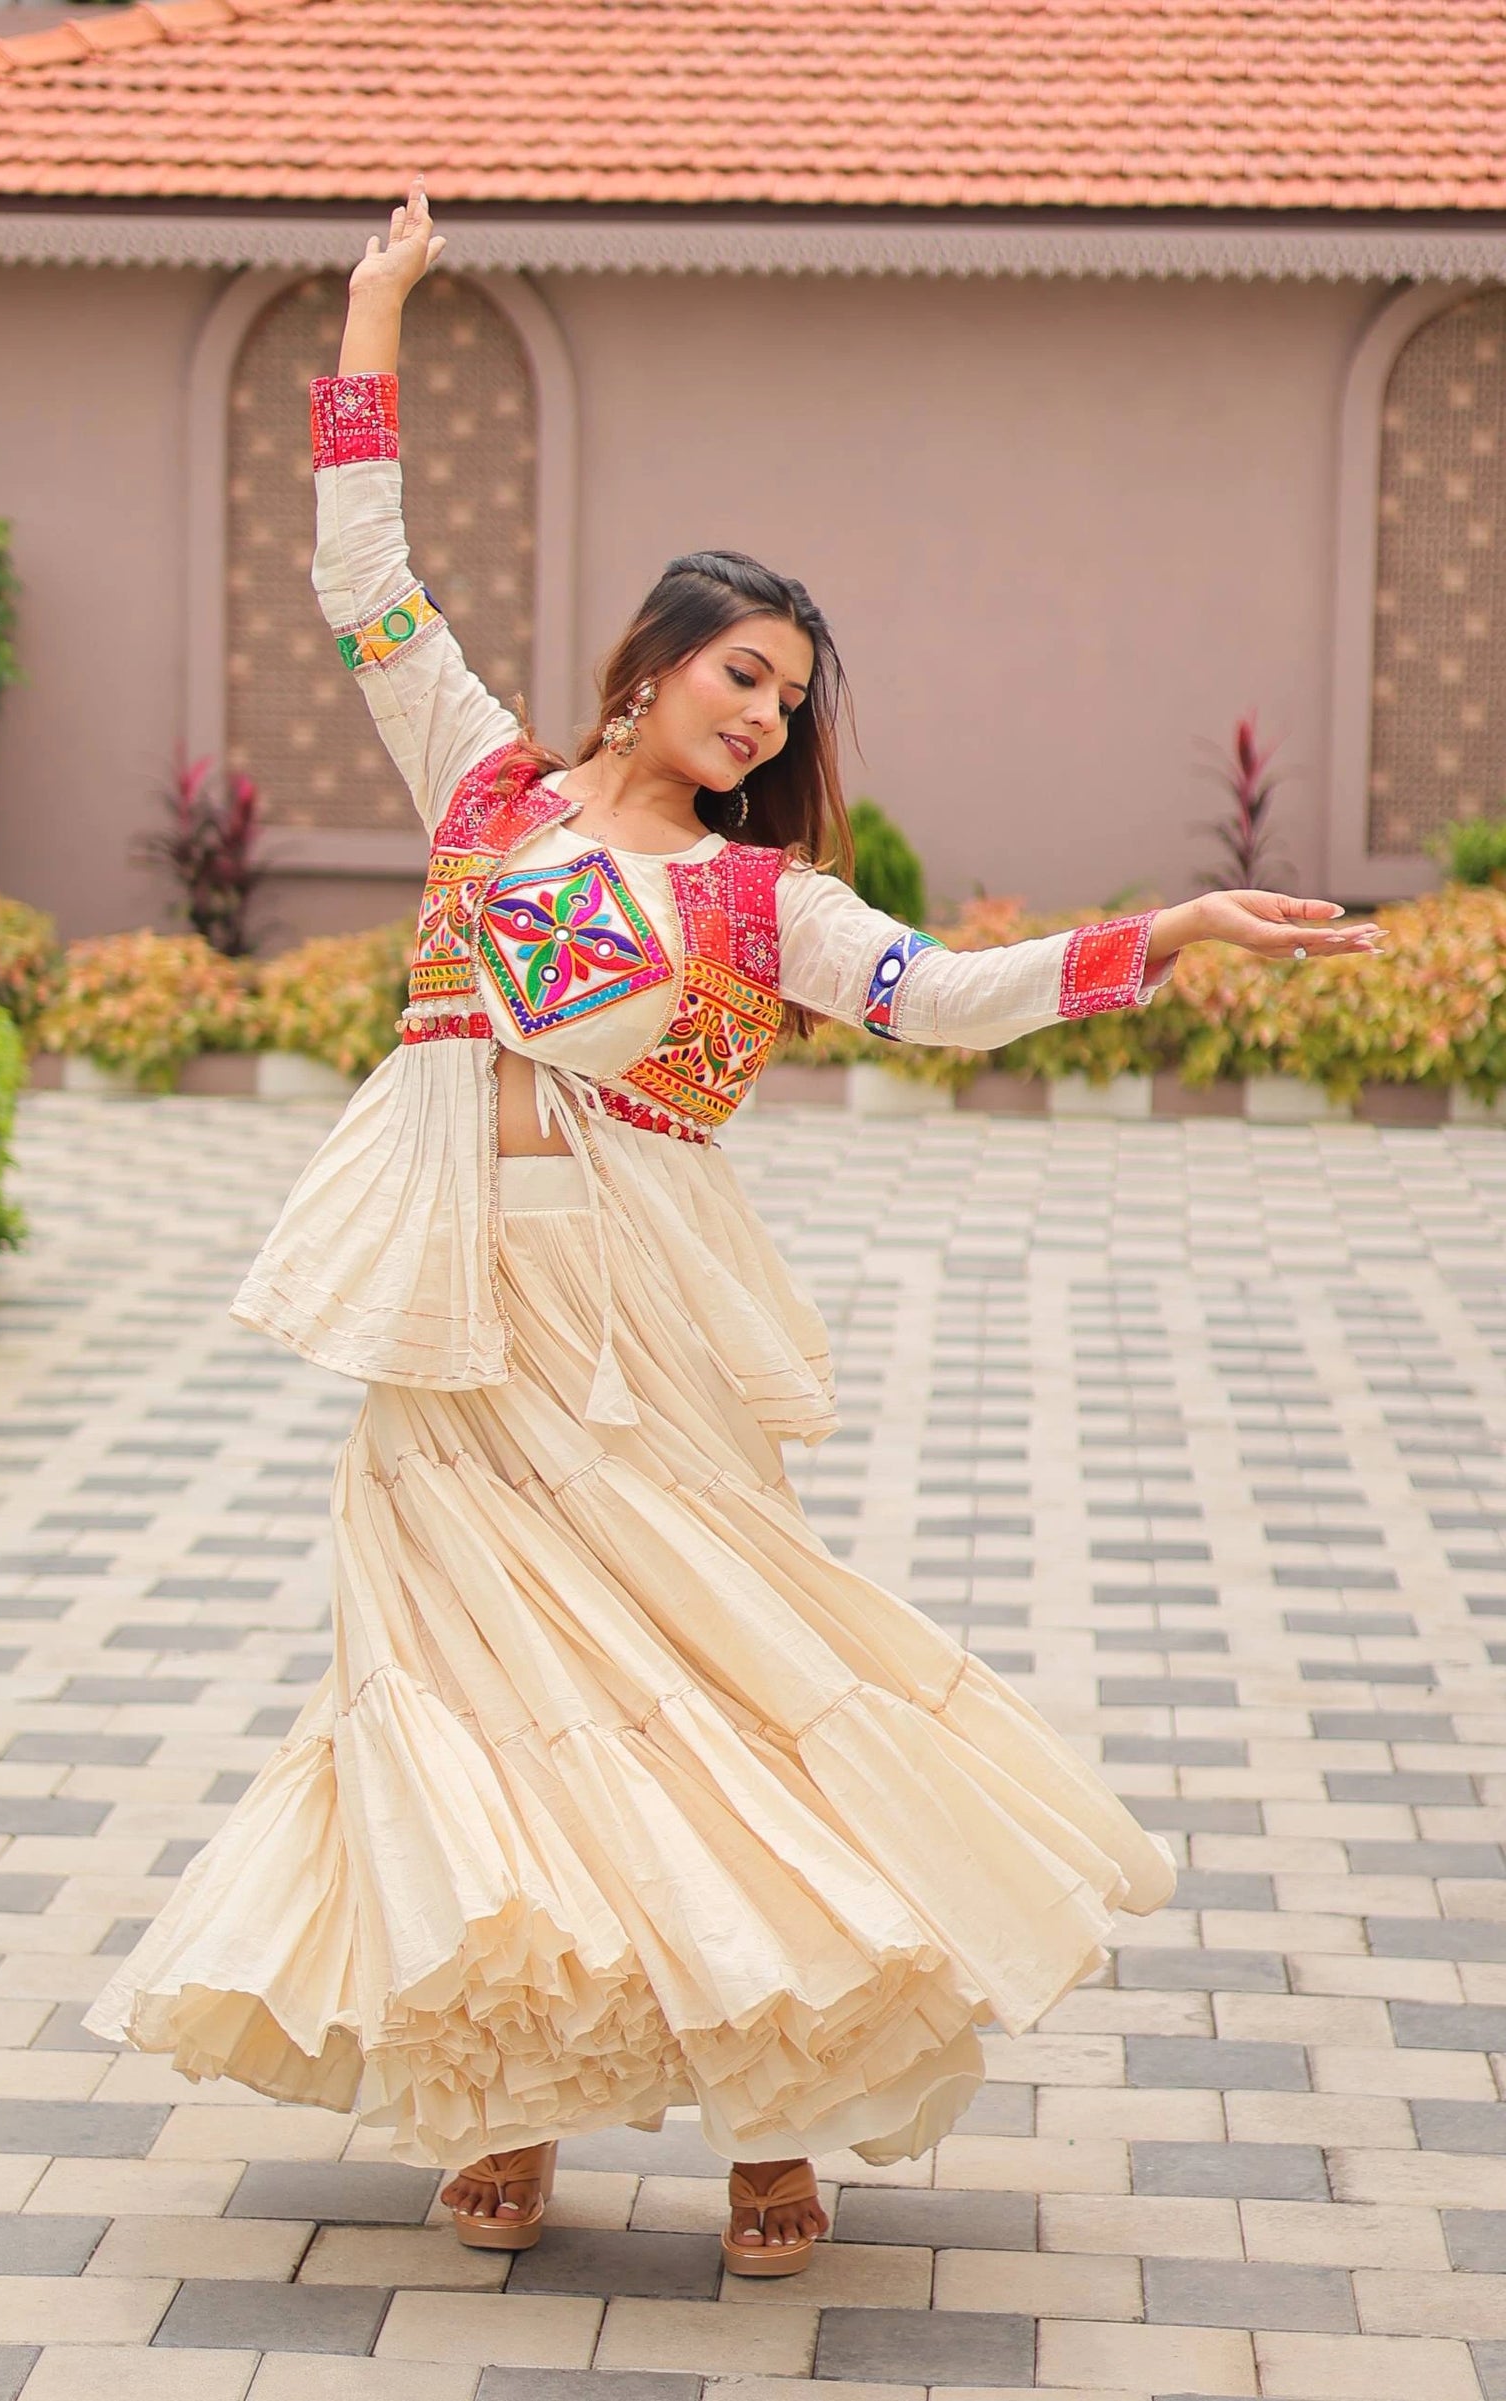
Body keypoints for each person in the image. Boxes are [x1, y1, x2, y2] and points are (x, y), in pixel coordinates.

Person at [87, 181, 1383, 2275]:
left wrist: (1159, 934)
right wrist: (373, 308)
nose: (763, 718)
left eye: (785, 701)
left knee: (713, 1678)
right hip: (449, 1324)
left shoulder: (760, 901)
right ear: (657, 660)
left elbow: (941, 999)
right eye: (741, 675)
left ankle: (780, 2107)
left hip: (634, 1328)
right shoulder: (484, 791)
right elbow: (360, 578)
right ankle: (505, 2093)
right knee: (458, 1701)